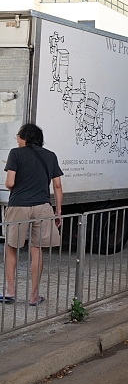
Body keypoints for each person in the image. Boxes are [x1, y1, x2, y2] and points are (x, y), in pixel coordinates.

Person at [3, 123, 63, 305]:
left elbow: (9, 183)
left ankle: (10, 292)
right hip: (43, 207)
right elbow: (58, 186)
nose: (17, 139)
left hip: (18, 206)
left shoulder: (15, 153)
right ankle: (34, 297)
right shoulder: (50, 155)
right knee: (37, 250)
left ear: (25, 138)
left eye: (18, 136)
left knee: (11, 246)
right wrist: (58, 210)